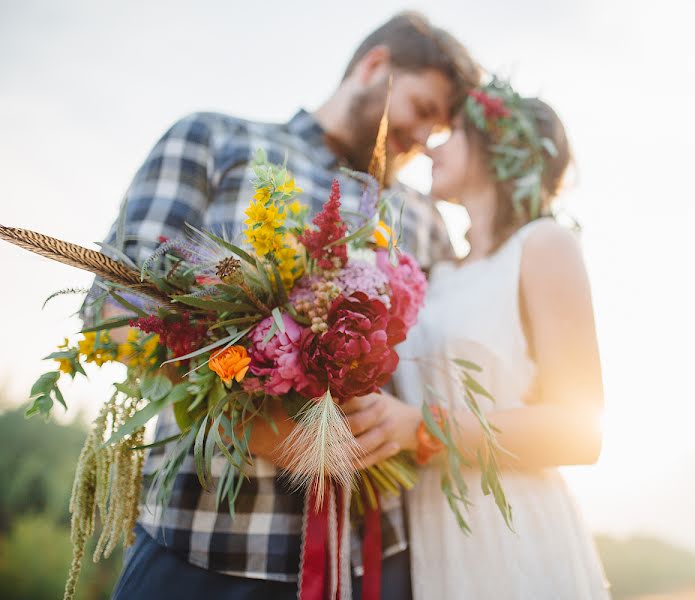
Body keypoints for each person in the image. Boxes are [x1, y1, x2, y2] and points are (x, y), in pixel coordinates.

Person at [83, 12, 480, 600]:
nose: (423, 141)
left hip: (375, 562)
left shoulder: (424, 219)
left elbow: (450, 358)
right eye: (422, 110)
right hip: (203, 549)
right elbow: (114, 307)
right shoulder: (216, 140)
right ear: (375, 66)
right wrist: (253, 418)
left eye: (438, 131)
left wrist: (411, 428)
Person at [341, 79, 614, 598]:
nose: (432, 146)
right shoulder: (438, 273)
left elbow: (581, 431)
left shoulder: (543, 244)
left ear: (497, 148)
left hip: (514, 531)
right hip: (434, 540)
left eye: (455, 133)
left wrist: (421, 429)